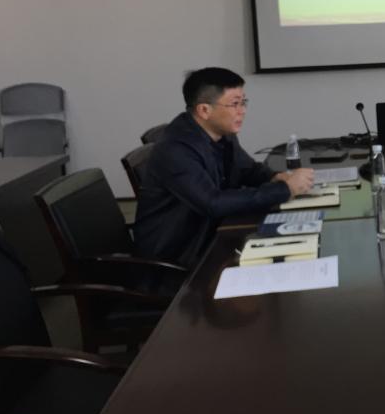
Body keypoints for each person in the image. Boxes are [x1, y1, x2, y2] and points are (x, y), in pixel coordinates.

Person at [134, 67, 314, 267]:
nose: (242, 111)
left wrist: (275, 177)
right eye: (234, 104)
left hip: (211, 234)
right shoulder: (176, 149)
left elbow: (247, 170)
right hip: (178, 256)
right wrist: (284, 189)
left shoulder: (220, 132)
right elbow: (212, 203)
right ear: (204, 110)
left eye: (243, 102)